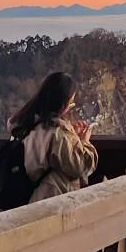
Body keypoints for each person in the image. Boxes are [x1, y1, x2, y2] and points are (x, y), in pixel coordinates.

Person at [11, 71, 98, 203]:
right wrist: (84, 141)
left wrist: (71, 137)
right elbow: (80, 167)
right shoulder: (56, 134)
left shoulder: (25, 124)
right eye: (71, 103)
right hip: (50, 202)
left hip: (28, 200)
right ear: (62, 105)